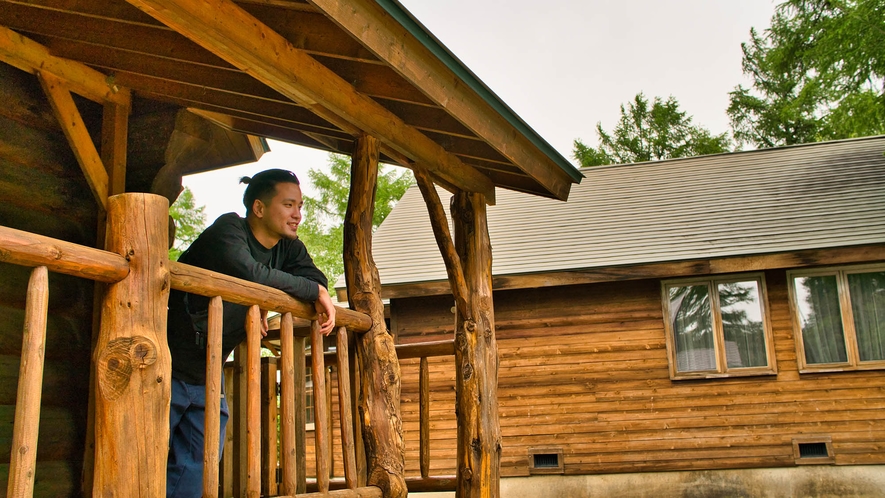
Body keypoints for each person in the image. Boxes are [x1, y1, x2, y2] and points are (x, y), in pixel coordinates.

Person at [165, 169, 336, 497]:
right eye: (288, 205)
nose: (297, 215)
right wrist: (265, 298)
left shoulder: (288, 247)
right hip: (163, 365)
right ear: (259, 208)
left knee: (198, 465)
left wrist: (260, 303)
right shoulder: (228, 229)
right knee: (146, 455)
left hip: (208, 374)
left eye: (300, 205)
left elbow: (316, 280)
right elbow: (247, 271)